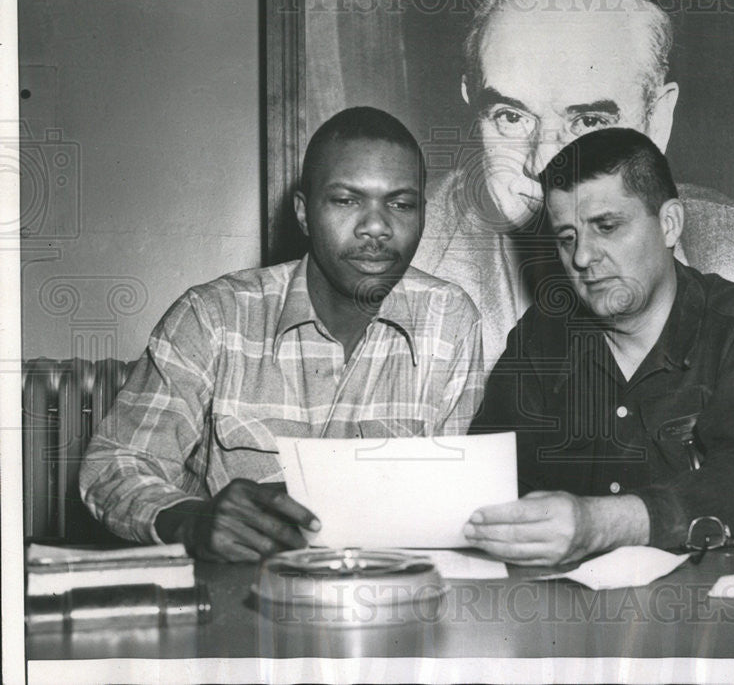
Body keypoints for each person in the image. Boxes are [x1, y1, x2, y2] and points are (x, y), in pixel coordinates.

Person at [80, 107, 484, 562]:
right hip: (239, 600)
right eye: (347, 200)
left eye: (400, 203)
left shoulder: (451, 319)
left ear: (424, 215)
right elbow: (114, 465)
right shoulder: (213, 316)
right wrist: (192, 520)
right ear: (304, 213)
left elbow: (454, 506)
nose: (376, 226)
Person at [464, 128, 734, 566]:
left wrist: (599, 523)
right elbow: (487, 482)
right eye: (567, 238)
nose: (582, 258)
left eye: (607, 226)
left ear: (670, 223)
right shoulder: (540, 338)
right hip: (582, 611)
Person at [413, 0, 734, 370]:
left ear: (658, 120)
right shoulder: (404, 270)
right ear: (473, 106)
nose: (542, 164)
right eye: (510, 116)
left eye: (589, 122)